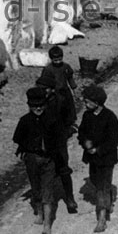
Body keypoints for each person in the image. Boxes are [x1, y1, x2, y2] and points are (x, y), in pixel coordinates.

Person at [13, 87, 64, 234]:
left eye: (41, 104)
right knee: (36, 188)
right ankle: (39, 214)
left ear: (46, 104)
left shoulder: (53, 120)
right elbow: (18, 139)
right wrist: (25, 150)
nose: (38, 108)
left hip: (48, 160)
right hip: (32, 159)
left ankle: (47, 224)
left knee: (47, 191)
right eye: (34, 105)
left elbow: (60, 140)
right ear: (29, 106)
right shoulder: (24, 121)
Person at [78, 85, 118, 233]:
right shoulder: (87, 116)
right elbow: (81, 132)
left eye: (87, 101)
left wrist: (98, 149)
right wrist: (85, 141)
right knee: (95, 181)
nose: (85, 104)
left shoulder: (110, 117)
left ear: (97, 102)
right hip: (92, 158)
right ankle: (109, 199)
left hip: (106, 158)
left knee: (101, 187)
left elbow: (113, 140)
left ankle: (102, 219)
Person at [36, 73, 78, 213]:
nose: (42, 91)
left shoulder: (61, 100)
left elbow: (70, 116)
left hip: (59, 140)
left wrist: (66, 130)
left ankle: (70, 199)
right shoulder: (39, 102)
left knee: (63, 169)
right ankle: (44, 203)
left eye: (45, 88)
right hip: (45, 140)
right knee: (44, 171)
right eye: (40, 88)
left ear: (52, 89)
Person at [40, 45, 77, 132]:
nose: (58, 62)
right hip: (55, 94)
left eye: (60, 59)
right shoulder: (48, 69)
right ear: (51, 59)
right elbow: (44, 82)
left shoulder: (66, 67)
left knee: (68, 108)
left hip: (65, 91)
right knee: (57, 110)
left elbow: (70, 78)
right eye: (55, 60)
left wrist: (74, 89)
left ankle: (69, 125)